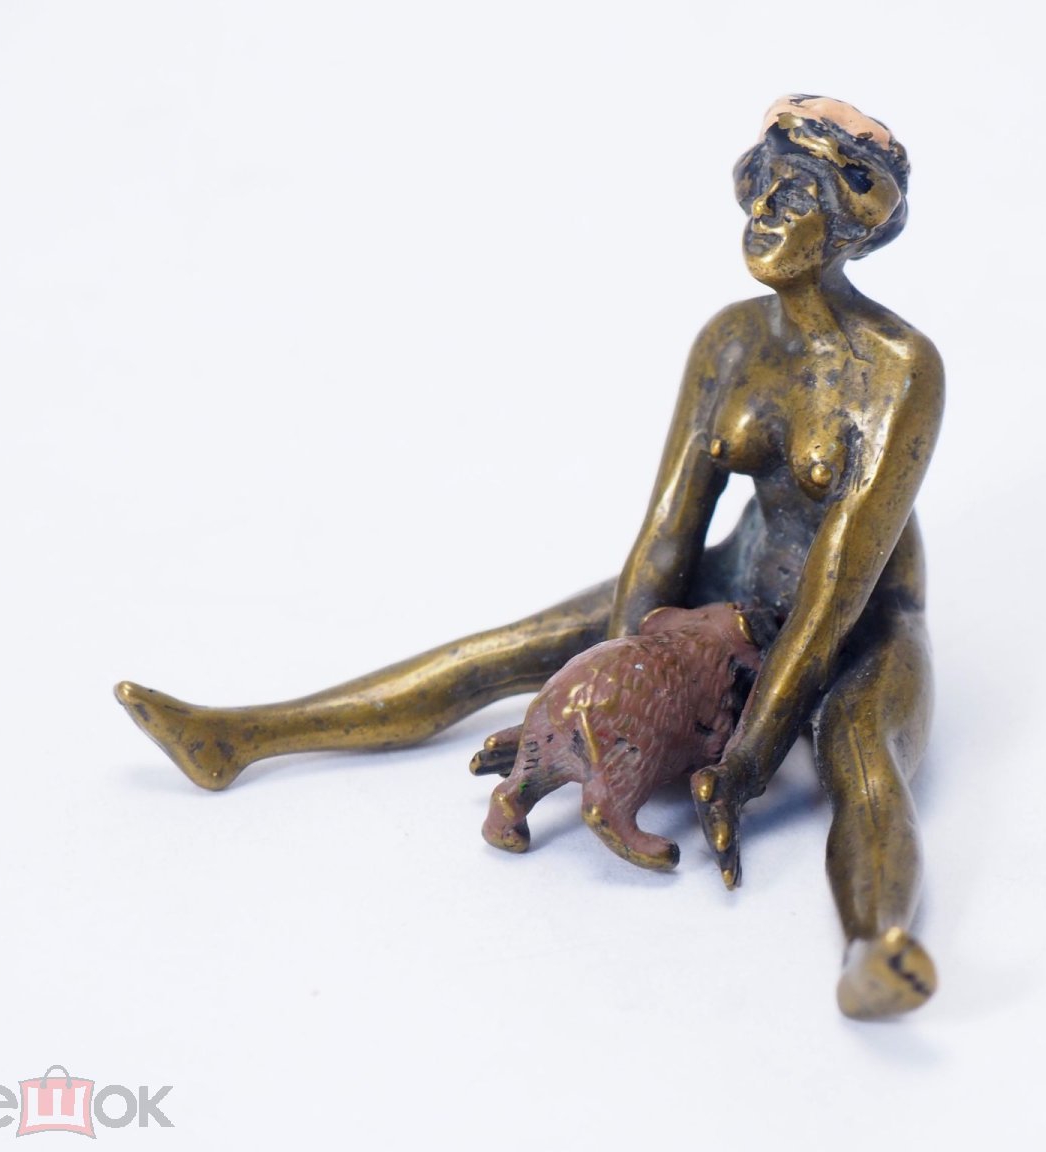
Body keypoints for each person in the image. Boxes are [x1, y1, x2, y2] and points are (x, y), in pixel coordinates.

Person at [116, 95, 945, 1019]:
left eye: (794, 195)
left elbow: (834, 593)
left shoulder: (900, 370)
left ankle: (875, 947)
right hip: (730, 584)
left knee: (861, 758)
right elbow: (667, 534)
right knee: (511, 647)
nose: (763, 212)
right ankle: (239, 738)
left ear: (850, 224)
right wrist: (627, 674)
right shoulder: (730, 341)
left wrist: (748, 756)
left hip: (864, 626)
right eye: (759, 186)